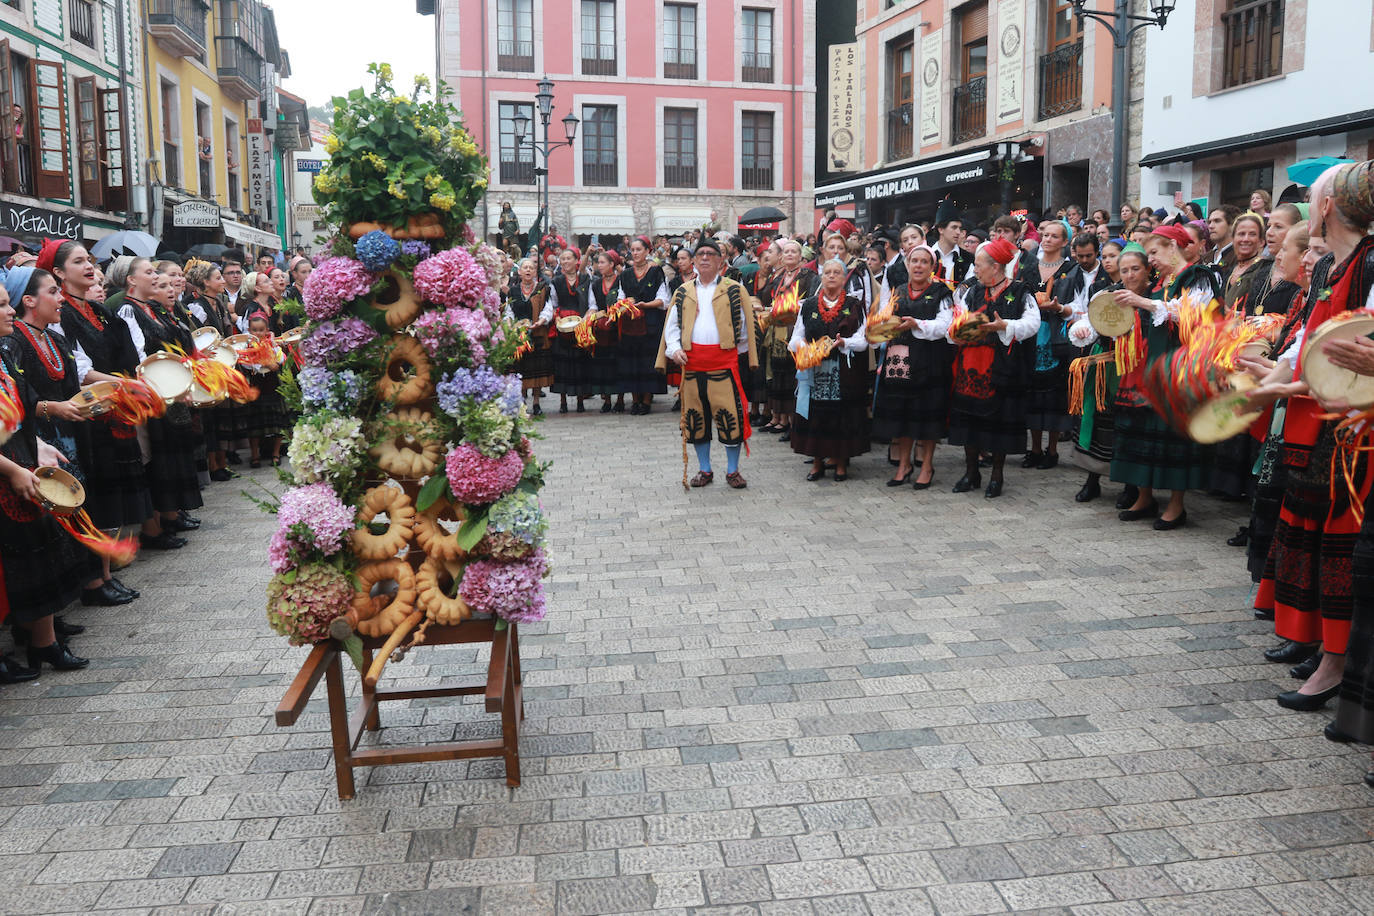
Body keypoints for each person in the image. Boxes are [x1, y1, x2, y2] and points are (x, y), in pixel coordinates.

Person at [1244, 161, 1374, 712]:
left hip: (1350, 427)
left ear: (1324, 208)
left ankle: (1335, 663)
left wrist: (1279, 386)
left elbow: (1354, 354)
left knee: (1339, 542)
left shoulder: (1368, 263)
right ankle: (1322, 646)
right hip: (1321, 418)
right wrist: (1271, 375)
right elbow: (1313, 341)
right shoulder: (1334, 268)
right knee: (1316, 536)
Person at [0, 272, 96, 675]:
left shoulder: (3, 353)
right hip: (7, 470)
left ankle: (44, 642)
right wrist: (9, 467)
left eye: (8, 301)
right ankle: (39, 643)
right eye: (2, 305)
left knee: (38, 550)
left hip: (20, 459)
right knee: (19, 559)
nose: (10, 309)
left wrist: (36, 446)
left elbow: (21, 408)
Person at [1109, 226, 1220, 530]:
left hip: (1181, 369)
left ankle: (1176, 505)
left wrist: (1143, 303)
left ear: (1173, 246)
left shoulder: (1197, 277)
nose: (1151, 259)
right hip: (1152, 367)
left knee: (1173, 438)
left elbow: (1191, 313)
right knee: (1145, 431)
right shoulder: (1161, 282)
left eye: (1155, 252)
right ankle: (1144, 496)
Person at [113, 259, 204, 540]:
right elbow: (137, 356)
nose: (156, 277)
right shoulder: (128, 309)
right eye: (150, 273)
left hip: (165, 389)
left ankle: (170, 515)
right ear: (131, 280)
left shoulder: (149, 309)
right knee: (155, 459)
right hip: (150, 391)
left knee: (170, 455)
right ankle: (154, 527)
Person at [659, 239, 758, 489]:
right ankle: (704, 469)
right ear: (693, 260)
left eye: (710, 254)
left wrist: (736, 353)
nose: (705, 258)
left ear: (720, 260)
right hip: (692, 365)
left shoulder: (735, 289)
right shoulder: (683, 291)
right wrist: (674, 350)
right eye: (700, 254)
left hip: (724, 364)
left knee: (730, 419)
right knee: (695, 421)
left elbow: (746, 328)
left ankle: (733, 470)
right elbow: (671, 328)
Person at [947, 237, 1041, 499]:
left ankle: (997, 475)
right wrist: (956, 331)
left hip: (1002, 367)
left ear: (996, 267)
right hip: (971, 366)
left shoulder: (1021, 291)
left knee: (998, 422)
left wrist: (1006, 327)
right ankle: (971, 472)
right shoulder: (973, 291)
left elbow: (1033, 323)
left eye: (978, 265)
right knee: (969, 420)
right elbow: (957, 321)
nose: (974, 270)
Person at [871, 246, 953, 489]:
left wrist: (916, 324)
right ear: (907, 265)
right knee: (901, 413)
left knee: (927, 414)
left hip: (929, 358)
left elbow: (945, 326)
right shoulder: (898, 291)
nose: (918, 266)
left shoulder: (941, 293)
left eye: (924, 262)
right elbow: (885, 319)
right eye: (914, 261)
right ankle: (904, 464)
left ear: (932, 266)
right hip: (899, 357)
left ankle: (926, 465)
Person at [789, 258, 869, 481]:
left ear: (844, 279)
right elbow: (795, 337)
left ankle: (841, 462)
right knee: (815, 416)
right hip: (814, 369)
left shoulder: (854, 305)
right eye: (828, 273)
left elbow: (863, 341)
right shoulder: (809, 305)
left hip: (843, 370)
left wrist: (845, 343)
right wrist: (805, 347)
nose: (832, 276)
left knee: (841, 416)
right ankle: (817, 463)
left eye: (837, 272)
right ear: (821, 278)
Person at [1066, 239, 1125, 503]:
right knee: (1095, 415)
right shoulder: (1100, 288)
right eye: (1108, 256)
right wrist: (1083, 330)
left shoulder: (1141, 290)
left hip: (1128, 362)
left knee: (1121, 420)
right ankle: (1092, 479)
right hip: (1102, 361)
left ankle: (1130, 485)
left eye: (1116, 256)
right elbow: (1091, 320)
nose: (1111, 260)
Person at [1017, 220, 1076, 469]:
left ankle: (1052, 450)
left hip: (1055, 334)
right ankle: (1035, 448)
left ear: (1064, 242)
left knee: (1054, 394)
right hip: (1031, 334)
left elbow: (1076, 304)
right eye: (1046, 235)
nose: (1047, 239)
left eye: (1054, 236)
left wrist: (1058, 308)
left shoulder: (1071, 269)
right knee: (1032, 392)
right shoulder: (1029, 265)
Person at [760, 239, 819, 440]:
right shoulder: (778, 277)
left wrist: (792, 306)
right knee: (776, 372)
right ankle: (779, 417)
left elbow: (812, 300)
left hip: (795, 327)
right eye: (786, 252)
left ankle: (793, 421)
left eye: (794, 251)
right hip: (777, 328)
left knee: (791, 373)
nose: (790, 255)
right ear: (782, 256)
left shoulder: (808, 276)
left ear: (801, 256)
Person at [616, 236, 669, 415]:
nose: (636, 253)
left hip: (650, 323)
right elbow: (620, 298)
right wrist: (623, 306)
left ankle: (646, 400)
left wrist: (645, 305)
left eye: (639, 249)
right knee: (632, 363)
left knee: (648, 362)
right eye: (633, 249)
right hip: (631, 324)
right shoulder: (625, 274)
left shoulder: (656, 272)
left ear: (648, 251)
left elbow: (663, 300)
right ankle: (635, 400)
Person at [507, 258, 554, 415]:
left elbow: (548, 309)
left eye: (531, 268)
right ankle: (522, 402)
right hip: (519, 335)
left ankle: (536, 402)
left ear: (535, 272)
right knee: (521, 370)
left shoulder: (543, 288)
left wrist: (540, 321)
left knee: (537, 370)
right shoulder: (513, 291)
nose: (528, 270)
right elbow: (509, 312)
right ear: (519, 272)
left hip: (537, 332)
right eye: (525, 268)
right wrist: (511, 326)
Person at [241, 312, 288, 467]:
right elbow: (247, 363)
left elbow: (280, 359)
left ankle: (275, 453)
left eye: (261, 330)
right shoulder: (246, 347)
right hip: (256, 387)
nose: (258, 333)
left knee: (277, 422)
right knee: (255, 424)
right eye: (254, 330)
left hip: (273, 385)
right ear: (249, 330)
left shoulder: (273, 345)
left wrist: (273, 355)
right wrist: (267, 363)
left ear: (267, 330)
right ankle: (255, 454)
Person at [548, 247, 590, 414]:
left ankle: (580, 401)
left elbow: (591, 302)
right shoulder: (557, 281)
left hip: (579, 322)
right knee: (563, 363)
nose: (565, 262)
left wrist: (586, 318)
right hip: (562, 324)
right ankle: (563, 401)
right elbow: (553, 303)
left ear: (576, 261)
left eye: (568, 258)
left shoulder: (585, 279)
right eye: (562, 259)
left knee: (580, 362)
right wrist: (556, 317)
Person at [932, 216, 973, 285]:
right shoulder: (926, 255)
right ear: (941, 229)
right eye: (954, 227)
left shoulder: (968, 258)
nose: (958, 232)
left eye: (960, 228)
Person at [1207, 204, 1241, 274]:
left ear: (1232, 225)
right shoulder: (1206, 257)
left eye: (1217, 221)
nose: (1210, 226)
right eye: (1209, 222)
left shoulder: (1240, 255)